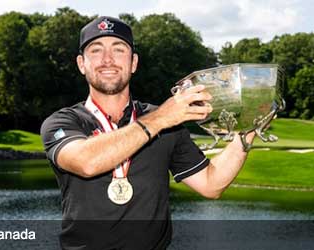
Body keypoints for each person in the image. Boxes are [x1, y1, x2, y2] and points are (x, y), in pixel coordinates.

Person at [41, 16, 255, 250]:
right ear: (81, 64)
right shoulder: (63, 122)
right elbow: (86, 162)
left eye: (119, 50)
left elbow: (211, 184)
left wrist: (249, 130)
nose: (107, 59)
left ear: (133, 63)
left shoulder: (168, 122)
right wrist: (161, 118)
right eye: (96, 50)